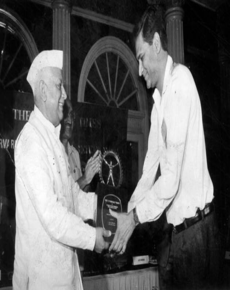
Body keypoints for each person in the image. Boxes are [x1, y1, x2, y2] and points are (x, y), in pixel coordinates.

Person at [109, 6, 222, 290]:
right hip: (175, 237)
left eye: (141, 57)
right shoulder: (159, 104)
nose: (139, 69)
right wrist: (128, 215)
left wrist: (133, 220)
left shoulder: (180, 84)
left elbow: (169, 181)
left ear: (156, 43)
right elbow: (150, 168)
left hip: (197, 237)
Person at [13, 50, 110, 290]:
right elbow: (53, 215)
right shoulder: (30, 142)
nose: (65, 95)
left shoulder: (54, 142)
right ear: (43, 90)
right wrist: (92, 238)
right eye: (60, 86)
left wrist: (107, 208)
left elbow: (74, 198)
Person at [61, 98, 101, 192]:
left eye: (72, 115)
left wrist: (90, 176)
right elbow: (62, 197)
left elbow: (82, 192)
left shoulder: (75, 154)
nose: (70, 121)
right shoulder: (51, 152)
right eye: (66, 114)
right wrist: (85, 178)